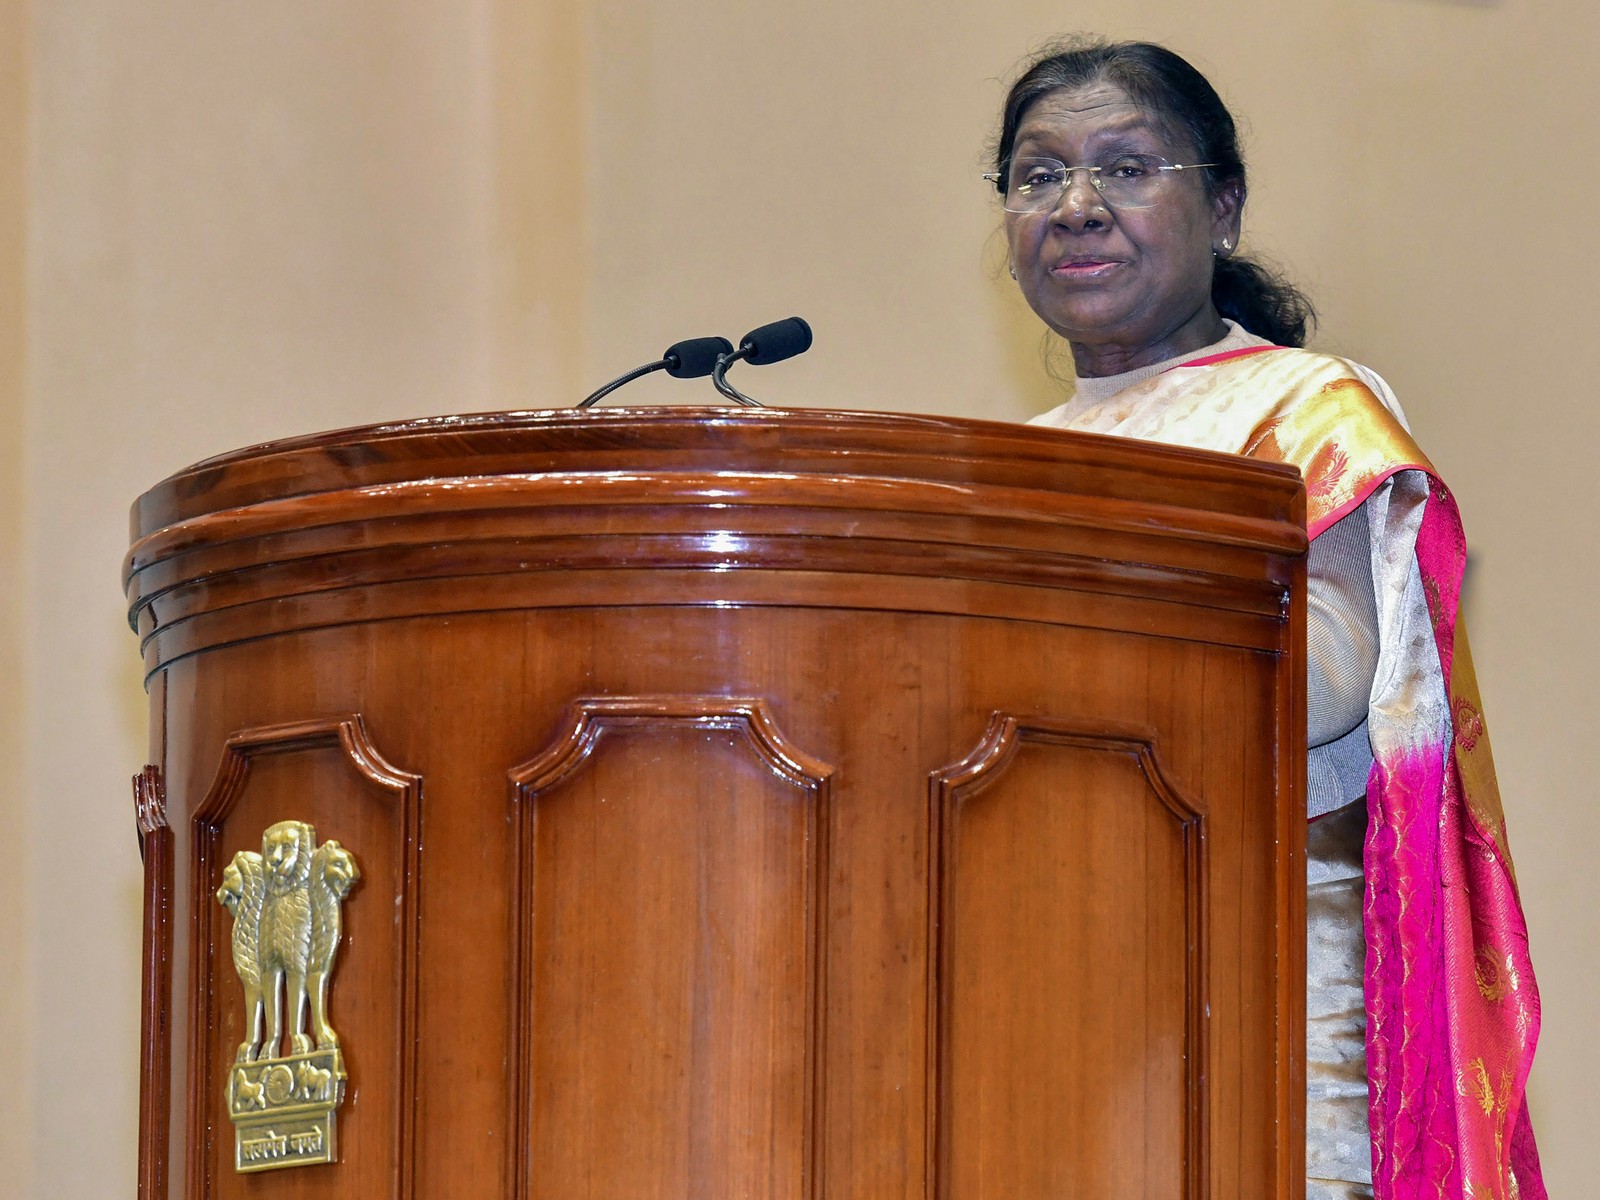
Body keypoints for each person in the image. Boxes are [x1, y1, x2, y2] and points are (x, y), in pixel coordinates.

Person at [990, 38, 1543, 1200]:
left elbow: (1332, 685)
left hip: (1257, 997)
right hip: (1041, 986)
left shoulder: (1300, 404)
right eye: (1038, 177)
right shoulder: (1005, 461)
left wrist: (1081, 609)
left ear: (1222, 206)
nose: (1077, 208)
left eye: (1127, 169)